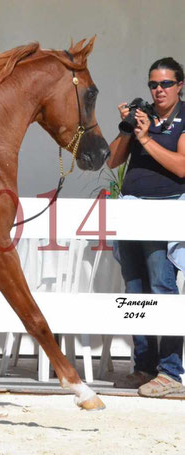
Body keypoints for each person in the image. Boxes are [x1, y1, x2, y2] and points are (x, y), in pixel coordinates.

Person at [108, 57, 185, 397]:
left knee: (161, 285)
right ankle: (143, 366)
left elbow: (182, 168)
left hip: (166, 210)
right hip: (132, 210)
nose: (159, 90)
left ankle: (170, 372)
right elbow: (111, 161)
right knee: (134, 287)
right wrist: (128, 128)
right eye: (153, 84)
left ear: (180, 85)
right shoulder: (145, 117)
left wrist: (146, 140)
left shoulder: (183, 118)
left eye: (166, 83)